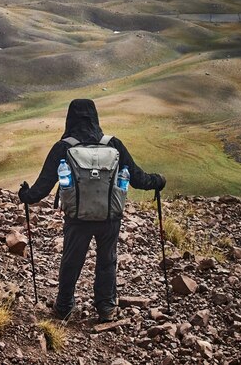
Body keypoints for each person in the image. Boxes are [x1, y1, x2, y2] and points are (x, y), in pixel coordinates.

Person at [18, 98, 166, 322]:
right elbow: (137, 178)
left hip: (78, 219)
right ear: (95, 117)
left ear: (70, 118)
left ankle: (64, 306)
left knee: (71, 261)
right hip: (110, 217)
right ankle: (106, 308)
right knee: (107, 260)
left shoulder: (64, 147)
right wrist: (158, 181)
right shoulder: (113, 144)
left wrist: (25, 194)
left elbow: (43, 186)